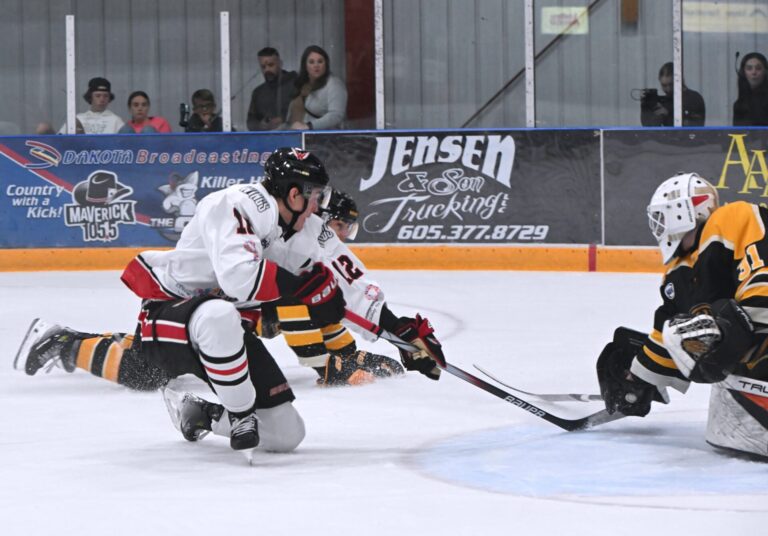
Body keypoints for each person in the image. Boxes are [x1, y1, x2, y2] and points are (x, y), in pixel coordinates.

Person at [15, 149, 444, 450]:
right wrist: (304, 294)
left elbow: (345, 282)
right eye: (313, 196)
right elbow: (241, 279)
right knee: (141, 370)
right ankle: (63, 342)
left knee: (283, 430)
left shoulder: (303, 227)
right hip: (174, 309)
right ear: (293, 194)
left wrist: (400, 332)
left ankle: (204, 414)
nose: (318, 207)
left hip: (228, 319)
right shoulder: (237, 204)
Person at [596, 171, 768, 459]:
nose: (660, 226)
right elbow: (676, 335)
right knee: (694, 330)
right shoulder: (681, 273)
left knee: (728, 321)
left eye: (663, 215)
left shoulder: (730, 219)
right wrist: (636, 376)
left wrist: (731, 327)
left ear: (685, 209)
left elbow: (760, 276)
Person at [286, 45, 347, 130]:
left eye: (320, 61)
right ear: (305, 66)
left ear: (326, 64)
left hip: (327, 139)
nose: (316, 65)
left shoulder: (334, 84)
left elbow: (336, 115)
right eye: (311, 62)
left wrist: (309, 126)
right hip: (301, 137)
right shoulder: (303, 84)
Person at [247, 47, 298, 131]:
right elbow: (250, 121)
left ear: (280, 63)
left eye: (271, 65)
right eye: (263, 67)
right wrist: (260, 125)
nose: (267, 69)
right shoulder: (258, 92)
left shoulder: (295, 83)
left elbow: (304, 110)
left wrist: (282, 119)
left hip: (293, 137)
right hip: (267, 140)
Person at [640, 62, 705, 127]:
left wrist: (668, 116)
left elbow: (694, 127)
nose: (668, 89)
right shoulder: (664, 102)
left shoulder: (693, 99)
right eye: (664, 85)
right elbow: (648, 128)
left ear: (680, 80)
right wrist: (646, 106)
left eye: (671, 85)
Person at [58, 77, 125, 134]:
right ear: (90, 97)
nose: (102, 99)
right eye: (98, 96)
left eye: (106, 96)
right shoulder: (79, 118)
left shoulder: (116, 120)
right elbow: (60, 138)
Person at [733, 52, 768, 126]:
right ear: (743, 73)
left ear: (765, 72)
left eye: (758, 68)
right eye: (749, 68)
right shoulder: (739, 105)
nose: (754, 72)